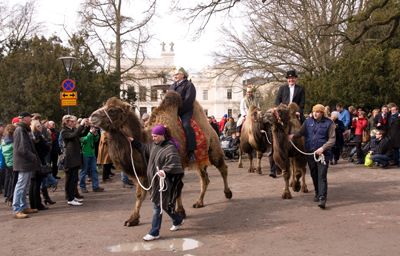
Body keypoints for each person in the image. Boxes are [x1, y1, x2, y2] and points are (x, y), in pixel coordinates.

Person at [127, 125, 184, 241]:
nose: (153, 138)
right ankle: (178, 220)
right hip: (154, 182)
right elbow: (143, 148)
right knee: (164, 203)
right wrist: (133, 141)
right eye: (152, 136)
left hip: (165, 182)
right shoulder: (153, 146)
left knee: (157, 206)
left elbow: (174, 163)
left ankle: (154, 232)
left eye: (155, 136)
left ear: (162, 135)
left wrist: (165, 171)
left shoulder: (170, 147)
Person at [288, 104, 336, 209]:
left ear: (322, 113)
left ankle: (322, 198)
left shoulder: (329, 124)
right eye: (314, 111)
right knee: (314, 174)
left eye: (317, 112)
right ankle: (318, 193)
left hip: (323, 154)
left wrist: (323, 148)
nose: (315, 113)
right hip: (310, 152)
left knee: (322, 175)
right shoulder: (307, 122)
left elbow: (332, 139)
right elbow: (300, 132)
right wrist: (292, 136)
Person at [12, 112, 42, 218]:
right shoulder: (20, 130)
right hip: (23, 162)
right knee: (20, 186)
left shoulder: (24, 129)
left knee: (24, 185)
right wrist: (33, 157)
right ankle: (17, 209)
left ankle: (23, 206)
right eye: (30, 118)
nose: (32, 119)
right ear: (25, 118)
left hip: (26, 162)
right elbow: (22, 148)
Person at [168, 66, 197, 163]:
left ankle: (191, 151)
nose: (175, 76)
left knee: (186, 126)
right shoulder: (171, 86)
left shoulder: (189, 85)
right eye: (174, 74)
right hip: (172, 111)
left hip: (185, 110)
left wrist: (179, 111)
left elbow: (189, 100)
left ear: (182, 75)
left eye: (177, 74)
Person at [61, 115, 90, 206]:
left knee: (74, 178)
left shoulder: (72, 130)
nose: (75, 123)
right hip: (70, 158)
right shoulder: (64, 131)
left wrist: (87, 126)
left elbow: (82, 134)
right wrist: (81, 125)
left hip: (75, 157)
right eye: (73, 121)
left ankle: (72, 196)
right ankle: (70, 198)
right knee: (71, 178)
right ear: (66, 122)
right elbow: (74, 135)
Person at [30, 120, 51, 210]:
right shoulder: (38, 136)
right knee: (36, 184)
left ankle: (33, 204)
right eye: (38, 126)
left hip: (34, 161)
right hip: (38, 161)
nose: (41, 127)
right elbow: (46, 147)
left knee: (33, 184)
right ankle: (38, 204)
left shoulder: (31, 136)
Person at [79, 126, 104, 193]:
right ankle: (83, 187)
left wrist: (96, 135)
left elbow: (95, 141)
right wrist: (90, 133)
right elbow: (83, 140)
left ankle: (95, 186)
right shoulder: (82, 133)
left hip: (92, 154)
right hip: (85, 154)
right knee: (83, 171)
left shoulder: (91, 134)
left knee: (94, 170)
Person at [2, 124, 16, 207]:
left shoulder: (4, 141)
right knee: (13, 181)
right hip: (13, 162)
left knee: (10, 180)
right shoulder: (13, 141)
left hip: (8, 162)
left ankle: (8, 197)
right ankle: (11, 198)